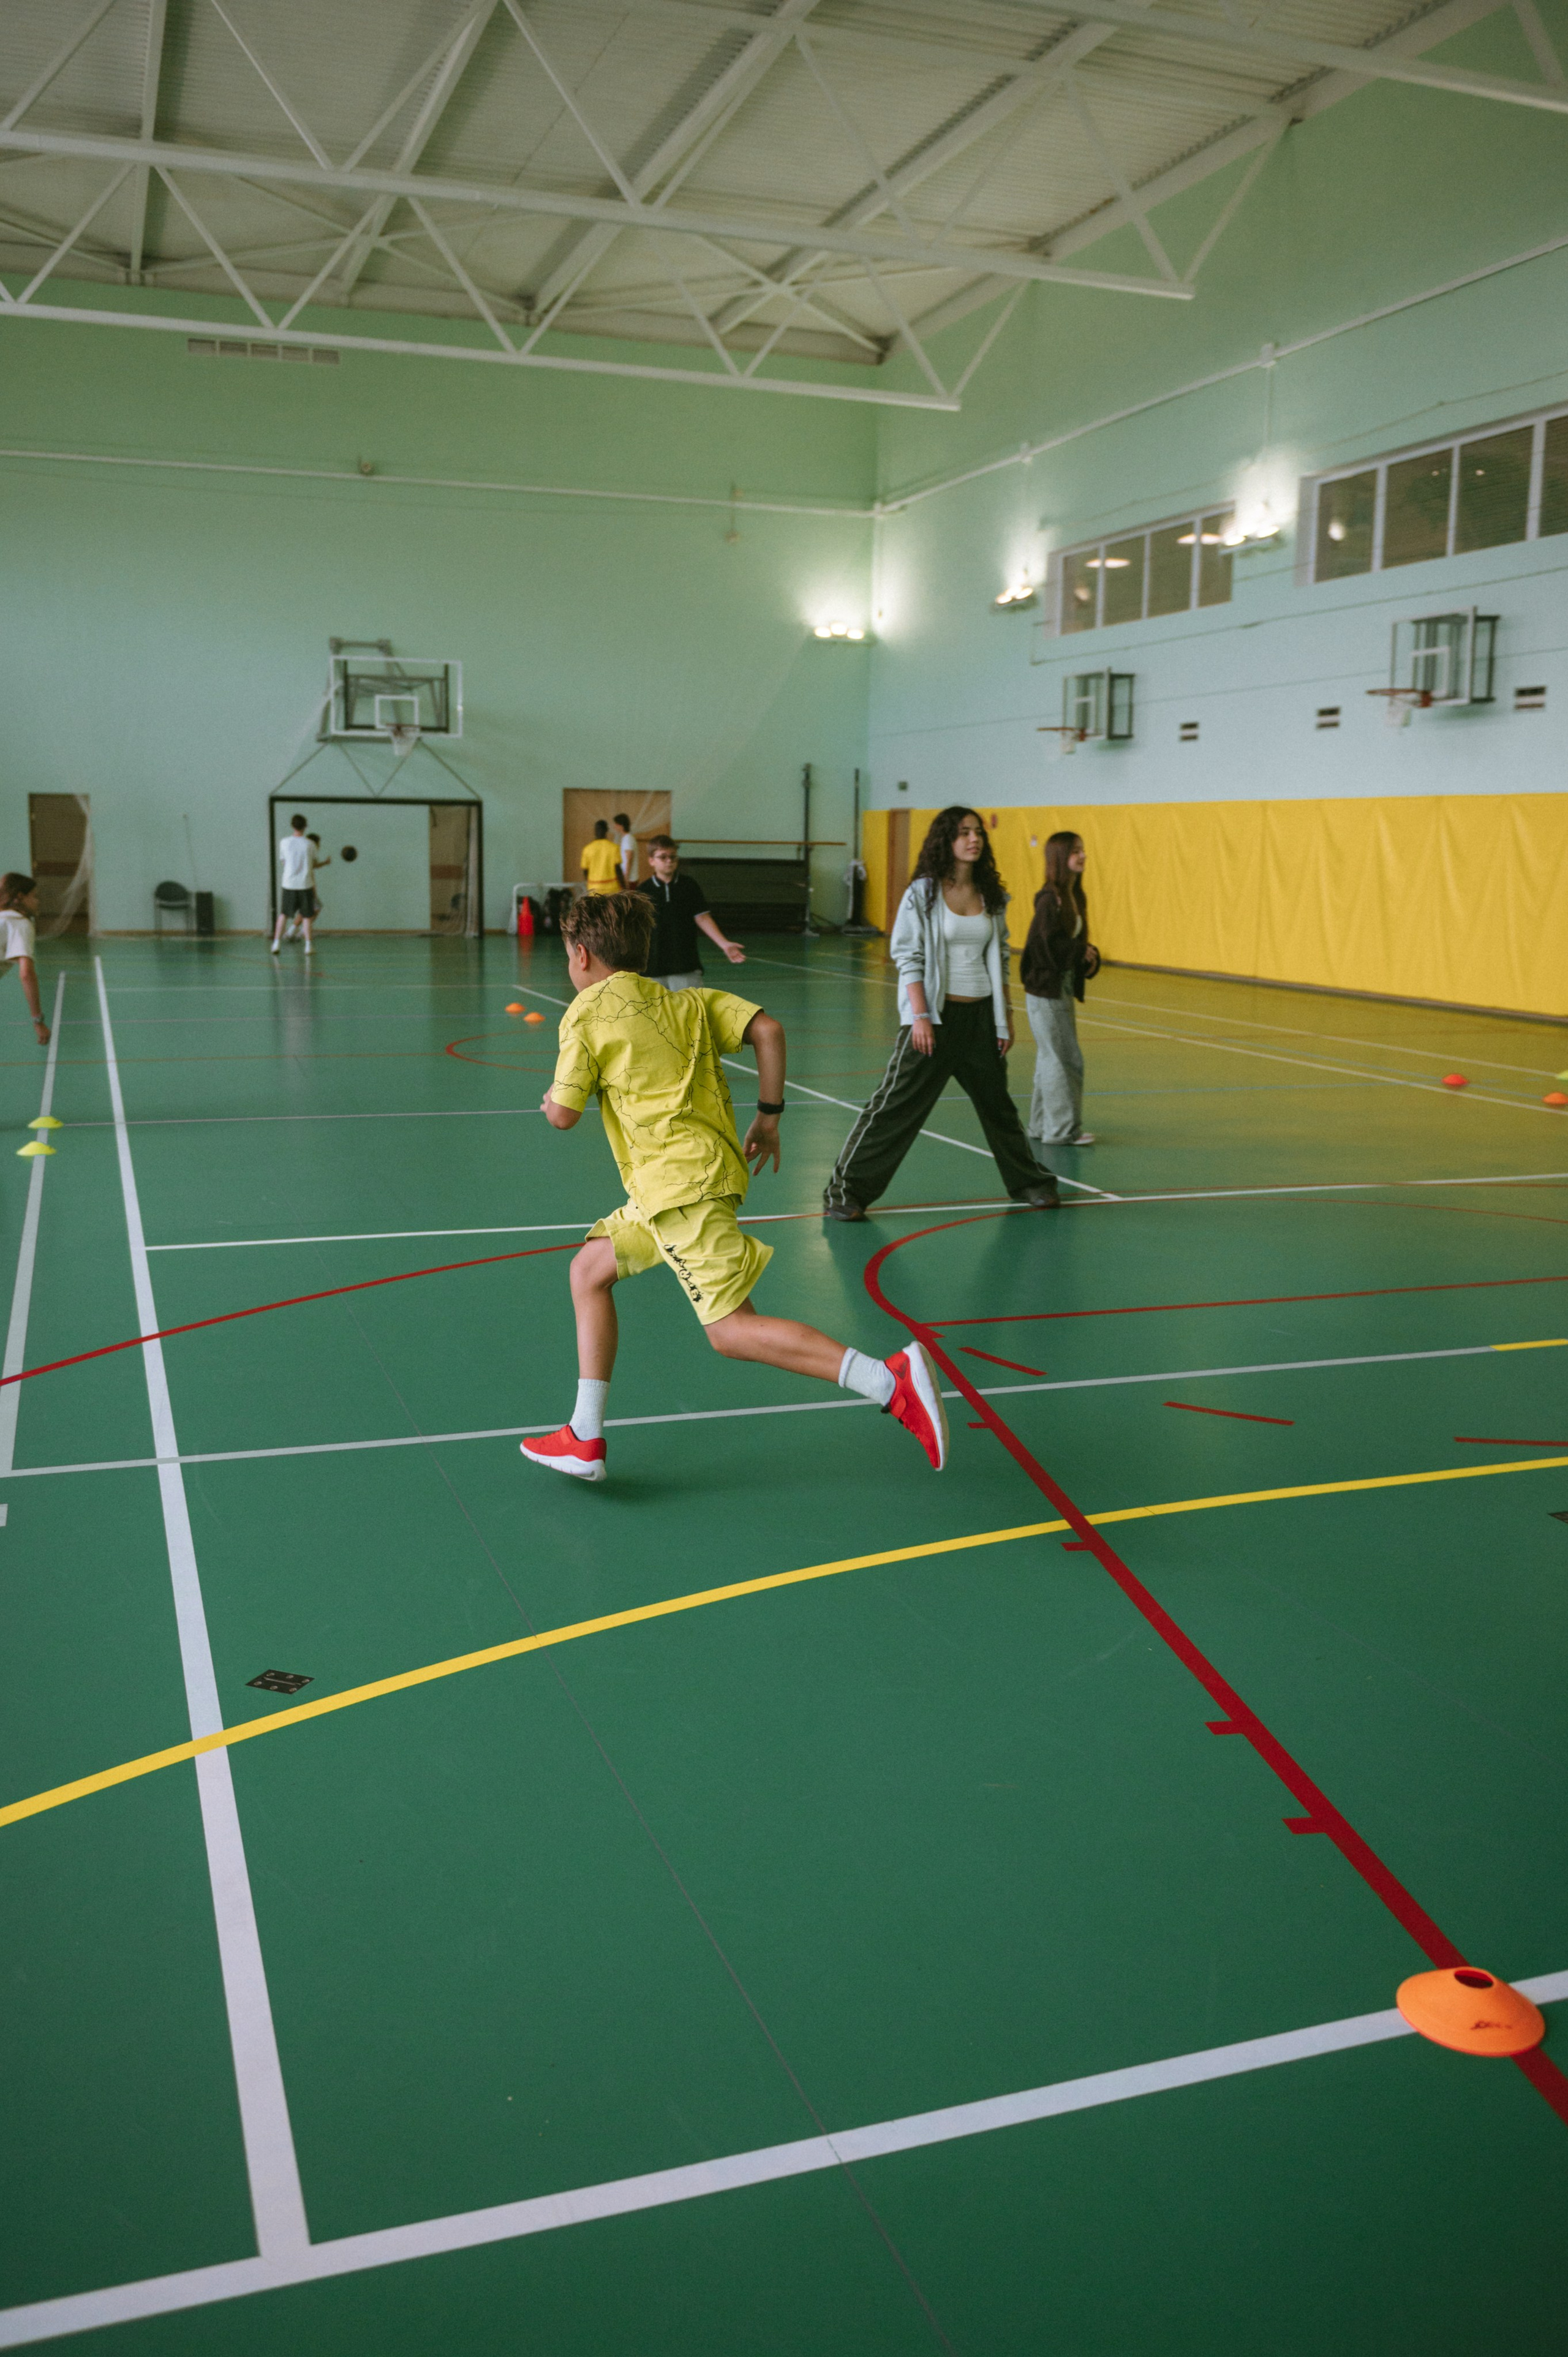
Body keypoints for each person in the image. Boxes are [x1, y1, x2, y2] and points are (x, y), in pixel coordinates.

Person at [521, 889, 949, 1483]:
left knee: (730, 1331)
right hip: (684, 1183)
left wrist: (549, 1102)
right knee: (588, 1271)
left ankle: (889, 1379)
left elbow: (563, 1114)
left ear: (584, 955)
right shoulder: (689, 1002)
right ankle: (584, 1434)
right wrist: (768, 1115)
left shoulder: (586, 1013)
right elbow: (768, 1030)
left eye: (569, 955)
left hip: (679, 1193)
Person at [823, 805, 1059, 1221]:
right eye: (964, 833)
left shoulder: (991, 895)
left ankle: (1030, 1182)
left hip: (981, 1019)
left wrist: (1004, 1019)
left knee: (998, 1107)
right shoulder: (922, 893)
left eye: (978, 833)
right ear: (946, 840)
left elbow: (1000, 958)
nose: (973, 839)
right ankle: (845, 1191)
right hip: (935, 1019)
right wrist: (921, 1016)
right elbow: (907, 955)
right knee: (895, 1107)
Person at [1021, 831, 1100, 1148]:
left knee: (1049, 1058)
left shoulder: (1074, 897)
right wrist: (1076, 953)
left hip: (1061, 987)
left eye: (1083, 850)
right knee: (1064, 1059)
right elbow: (1042, 948)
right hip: (1045, 991)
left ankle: (1040, 1126)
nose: (1082, 856)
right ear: (1059, 857)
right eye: (1075, 852)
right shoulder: (1048, 899)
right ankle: (1062, 1130)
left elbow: (1070, 945)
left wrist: (1087, 956)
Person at [636, 834, 745, 990]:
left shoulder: (689, 886)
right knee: (654, 1013)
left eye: (673, 857)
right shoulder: (643, 891)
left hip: (685, 965)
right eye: (663, 857)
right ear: (651, 860)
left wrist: (724, 944)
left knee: (688, 1013)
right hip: (652, 968)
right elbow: (636, 928)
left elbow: (703, 917)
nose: (669, 861)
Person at [0, 875, 50, 1047]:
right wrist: (38, 1020)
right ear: (20, 897)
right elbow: (26, 974)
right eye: (34, 896)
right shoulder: (20, 924)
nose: (38, 902)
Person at [271, 813, 314, 953]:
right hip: (305, 884)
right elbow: (313, 862)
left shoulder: (284, 842)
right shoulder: (310, 844)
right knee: (307, 916)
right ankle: (308, 946)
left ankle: (276, 943)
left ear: (292, 826)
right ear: (305, 826)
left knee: (284, 914)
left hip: (289, 884)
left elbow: (283, 862)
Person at [581, 819, 622, 896]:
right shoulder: (614, 848)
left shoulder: (587, 849)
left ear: (595, 831)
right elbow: (618, 869)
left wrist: (591, 883)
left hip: (594, 888)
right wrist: (624, 886)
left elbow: (585, 871)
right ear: (607, 831)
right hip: (612, 889)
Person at [613, 812, 639, 886]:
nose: (615, 826)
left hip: (630, 879)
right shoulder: (626, 838)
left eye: (616, 824)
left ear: (621, 825)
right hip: (628, 878)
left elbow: (629, 858)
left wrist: (626, 878)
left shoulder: (628, 839)